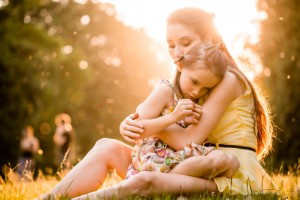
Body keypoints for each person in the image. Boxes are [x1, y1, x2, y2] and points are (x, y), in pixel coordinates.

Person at [38, 7, 277, 199]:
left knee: (145, 181)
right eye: (171, 45)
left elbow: (187, 140)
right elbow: (161, 126)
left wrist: (148, 125)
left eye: (185, 42)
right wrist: (133, 124)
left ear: (208, 39)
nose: (177, 52)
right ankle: (49, 197)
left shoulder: (227, 79)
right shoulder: (189, 83)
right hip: (188, 163)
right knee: (105, 146)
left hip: (227, 173)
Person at [126, 42, 236, 179]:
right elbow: (136, 130)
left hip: (172, 158)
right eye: (195, 82)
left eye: (206, 88)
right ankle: (152, 183)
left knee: (228, 161)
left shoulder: (192, 101)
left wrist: (186, 120)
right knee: (223, 159)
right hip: (152, 159)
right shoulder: (166, 91)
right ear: (180, 66)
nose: (197, 92)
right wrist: (174, 117)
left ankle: (161, 185)